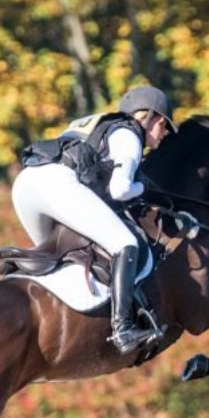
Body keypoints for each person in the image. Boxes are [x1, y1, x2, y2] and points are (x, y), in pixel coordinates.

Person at [12, 85, 177, 353]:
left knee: (60, 257)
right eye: (164, 126)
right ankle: (123, 328)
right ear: (150, 118)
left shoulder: (101, 124)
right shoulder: (130, 136)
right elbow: (120, 190)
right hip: (56, 184)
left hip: (25, 185)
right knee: (125, 243)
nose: (164, 134)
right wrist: (144, 189)